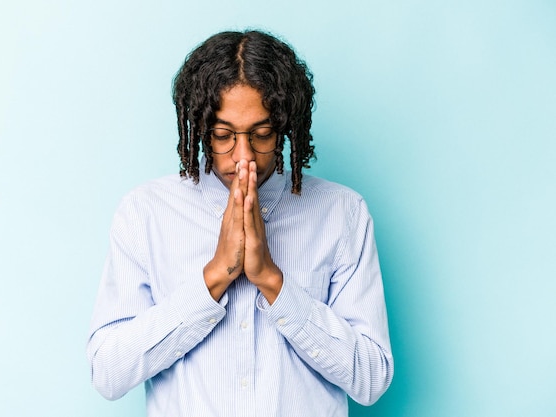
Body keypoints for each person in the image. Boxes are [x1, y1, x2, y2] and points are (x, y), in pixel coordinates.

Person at [86, 29, 393, 416]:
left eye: (262, 134)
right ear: (200, 129)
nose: (243, 157)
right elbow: (108, 373)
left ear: (283, 127)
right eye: (223, 135)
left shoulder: (341, 213)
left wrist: (271, 280)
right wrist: (214, 277)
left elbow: (372, 378)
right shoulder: (145, 212)